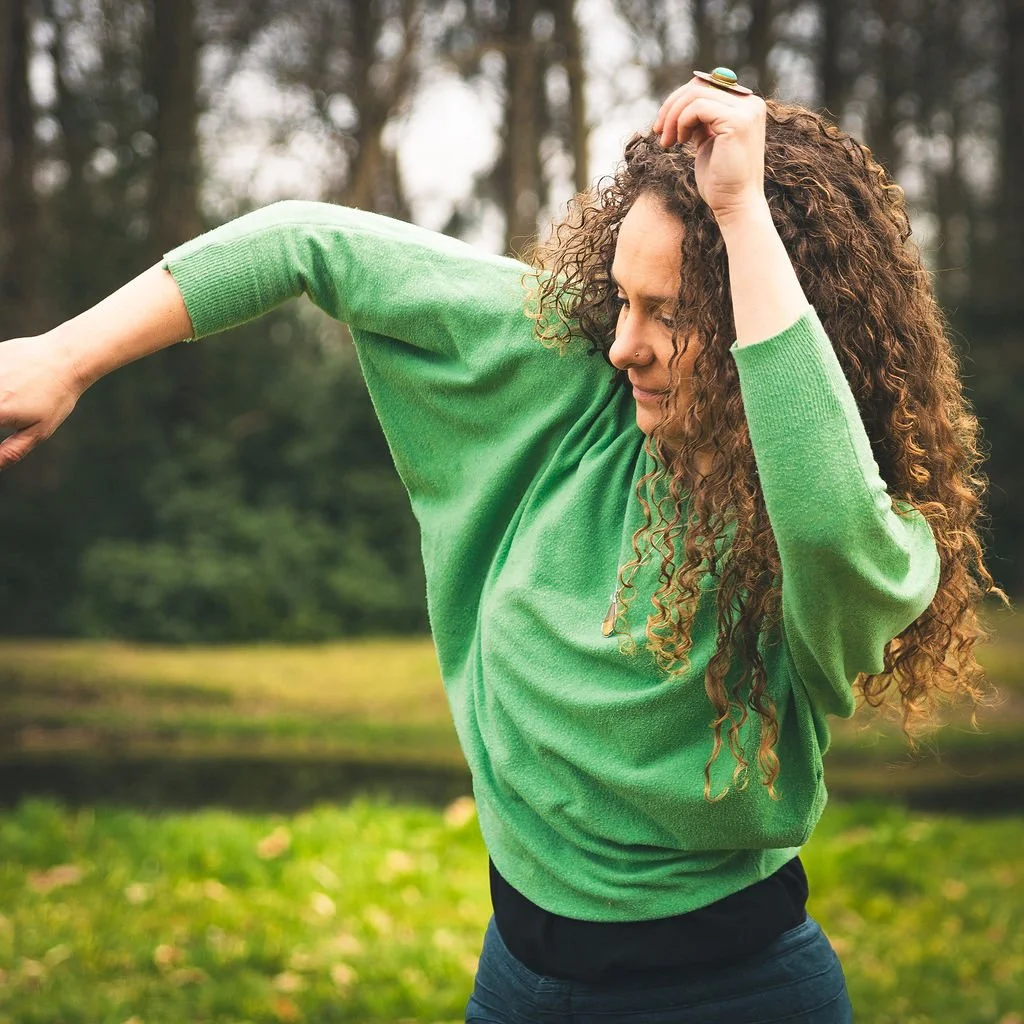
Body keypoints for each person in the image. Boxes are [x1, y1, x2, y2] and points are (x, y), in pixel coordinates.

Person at [0, 73, 1001, 1023]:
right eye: (622, 300)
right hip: (520, 981)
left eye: (671, 315)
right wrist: (63, 358)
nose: (625, 343)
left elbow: (824, 518)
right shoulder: (574, 394)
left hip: (731, 995)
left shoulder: (855, 544)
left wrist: (741, 214)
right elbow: (313, 243)